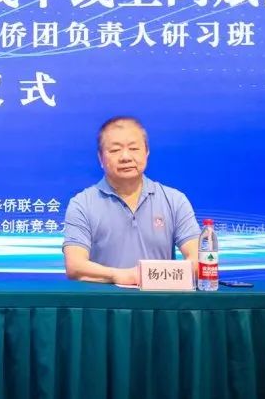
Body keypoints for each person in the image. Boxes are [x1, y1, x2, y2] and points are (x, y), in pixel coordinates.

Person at [63, 116, 199, 285]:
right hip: (105, 301)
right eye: (115, 150)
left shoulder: (174, 200)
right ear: (100, 158)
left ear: (147, 152)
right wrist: (121, 276)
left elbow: (198, 259)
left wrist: (153, 277)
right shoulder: (82, 204)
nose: (126, 157)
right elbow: (75, 266)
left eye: (134, 148)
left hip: (162, 300)